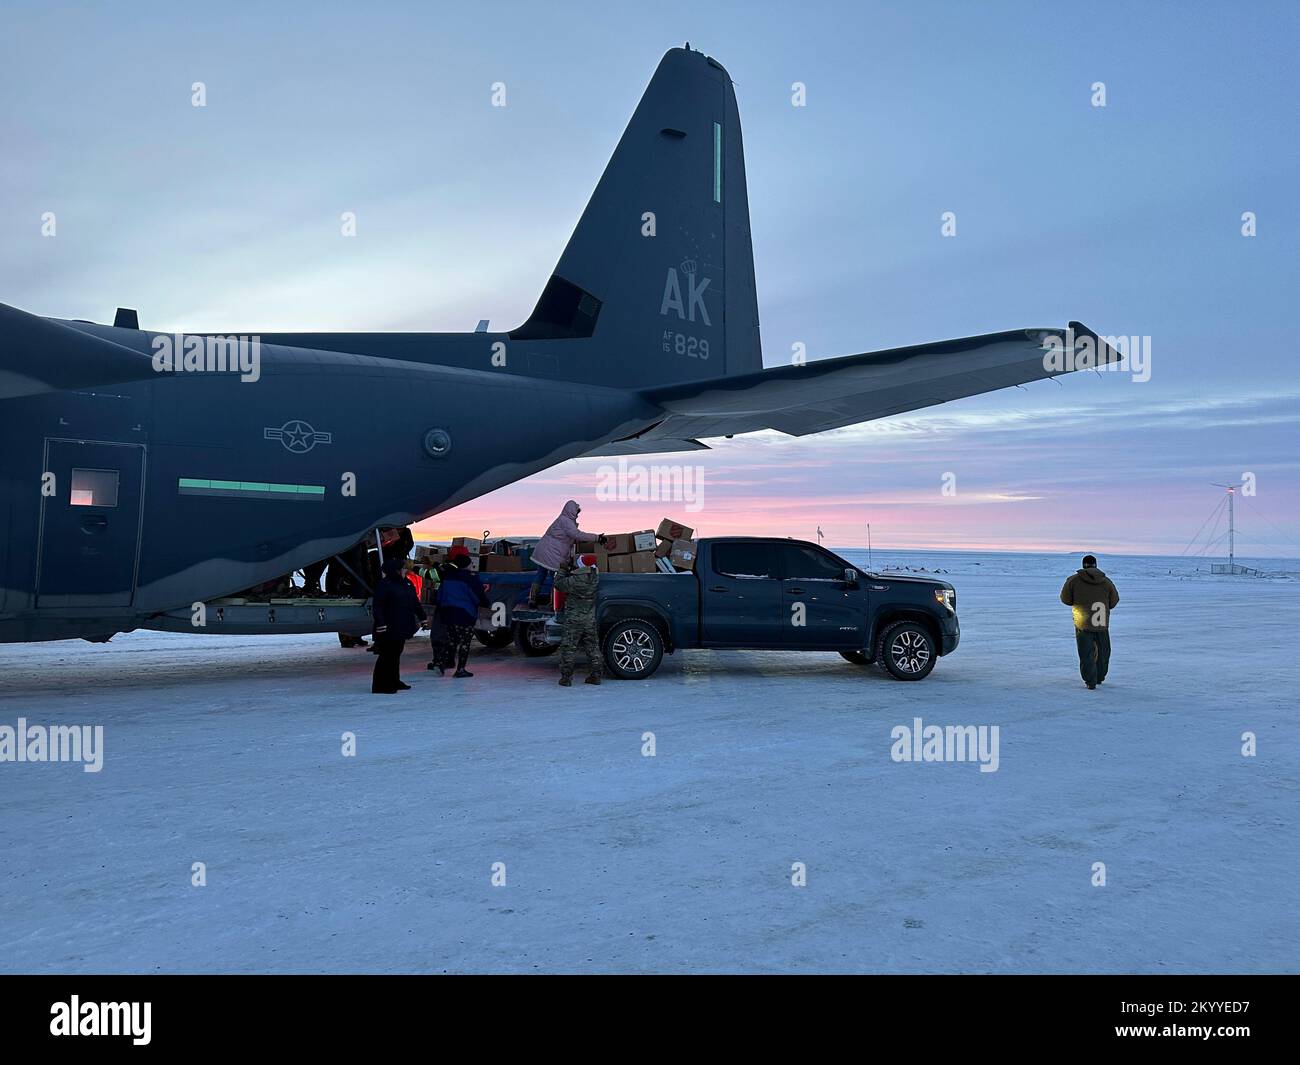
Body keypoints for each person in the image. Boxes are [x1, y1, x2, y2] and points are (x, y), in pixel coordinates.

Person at [1059, 554, 1120, 690]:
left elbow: (1065, 599)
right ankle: (1099, 677)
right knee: (1103, 651)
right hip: (1101, 620)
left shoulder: (1073, 580)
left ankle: (1090, 681)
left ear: (1083, 565)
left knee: (1086, 653)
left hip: (1082, 621)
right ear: (1095, 565)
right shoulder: (1106, 581)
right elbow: (1114, 600)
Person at [528, 500, 602, 607]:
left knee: (541, 574)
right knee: (557, 578)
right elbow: (577, 535)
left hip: (543, 550)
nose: (577, 515)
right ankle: (553, 603)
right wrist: (597, 537)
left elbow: (569, 537)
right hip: (552, 552)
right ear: (572, 511)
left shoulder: (562, 520)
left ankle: (532, 599)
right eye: (577, 512)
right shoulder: (566, 522)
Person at [370, 557, 426, 694]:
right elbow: (377, 606)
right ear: (395, 570)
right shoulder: (385, 585)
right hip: (388, 626)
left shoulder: (406, 583)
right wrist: (380, 622)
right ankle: (380, 685)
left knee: (396, 654)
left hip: (402, 625)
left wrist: (422, 617)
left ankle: (394, 680)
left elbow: (414, 602)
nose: (405, 570)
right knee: (386, 655)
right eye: (403, 568)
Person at [433, 546, 488, 678]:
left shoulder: (448, 577)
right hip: (465, 614)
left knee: (451, 640)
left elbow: (440, 596)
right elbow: (478, 596)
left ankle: (441, 663)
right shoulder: (471, 579)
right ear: (468, 565)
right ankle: (460, 669)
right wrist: (485, 602)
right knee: (465, 642)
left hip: (448, 613)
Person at [554, 555, 602, 687]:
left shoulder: (575, 580)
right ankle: (596, 676)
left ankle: (566, 678)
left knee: (568, 648)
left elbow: (558, 584)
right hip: (589, 618)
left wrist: (563, 570)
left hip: (574, 619)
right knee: (593, 648)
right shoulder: (595, 577)